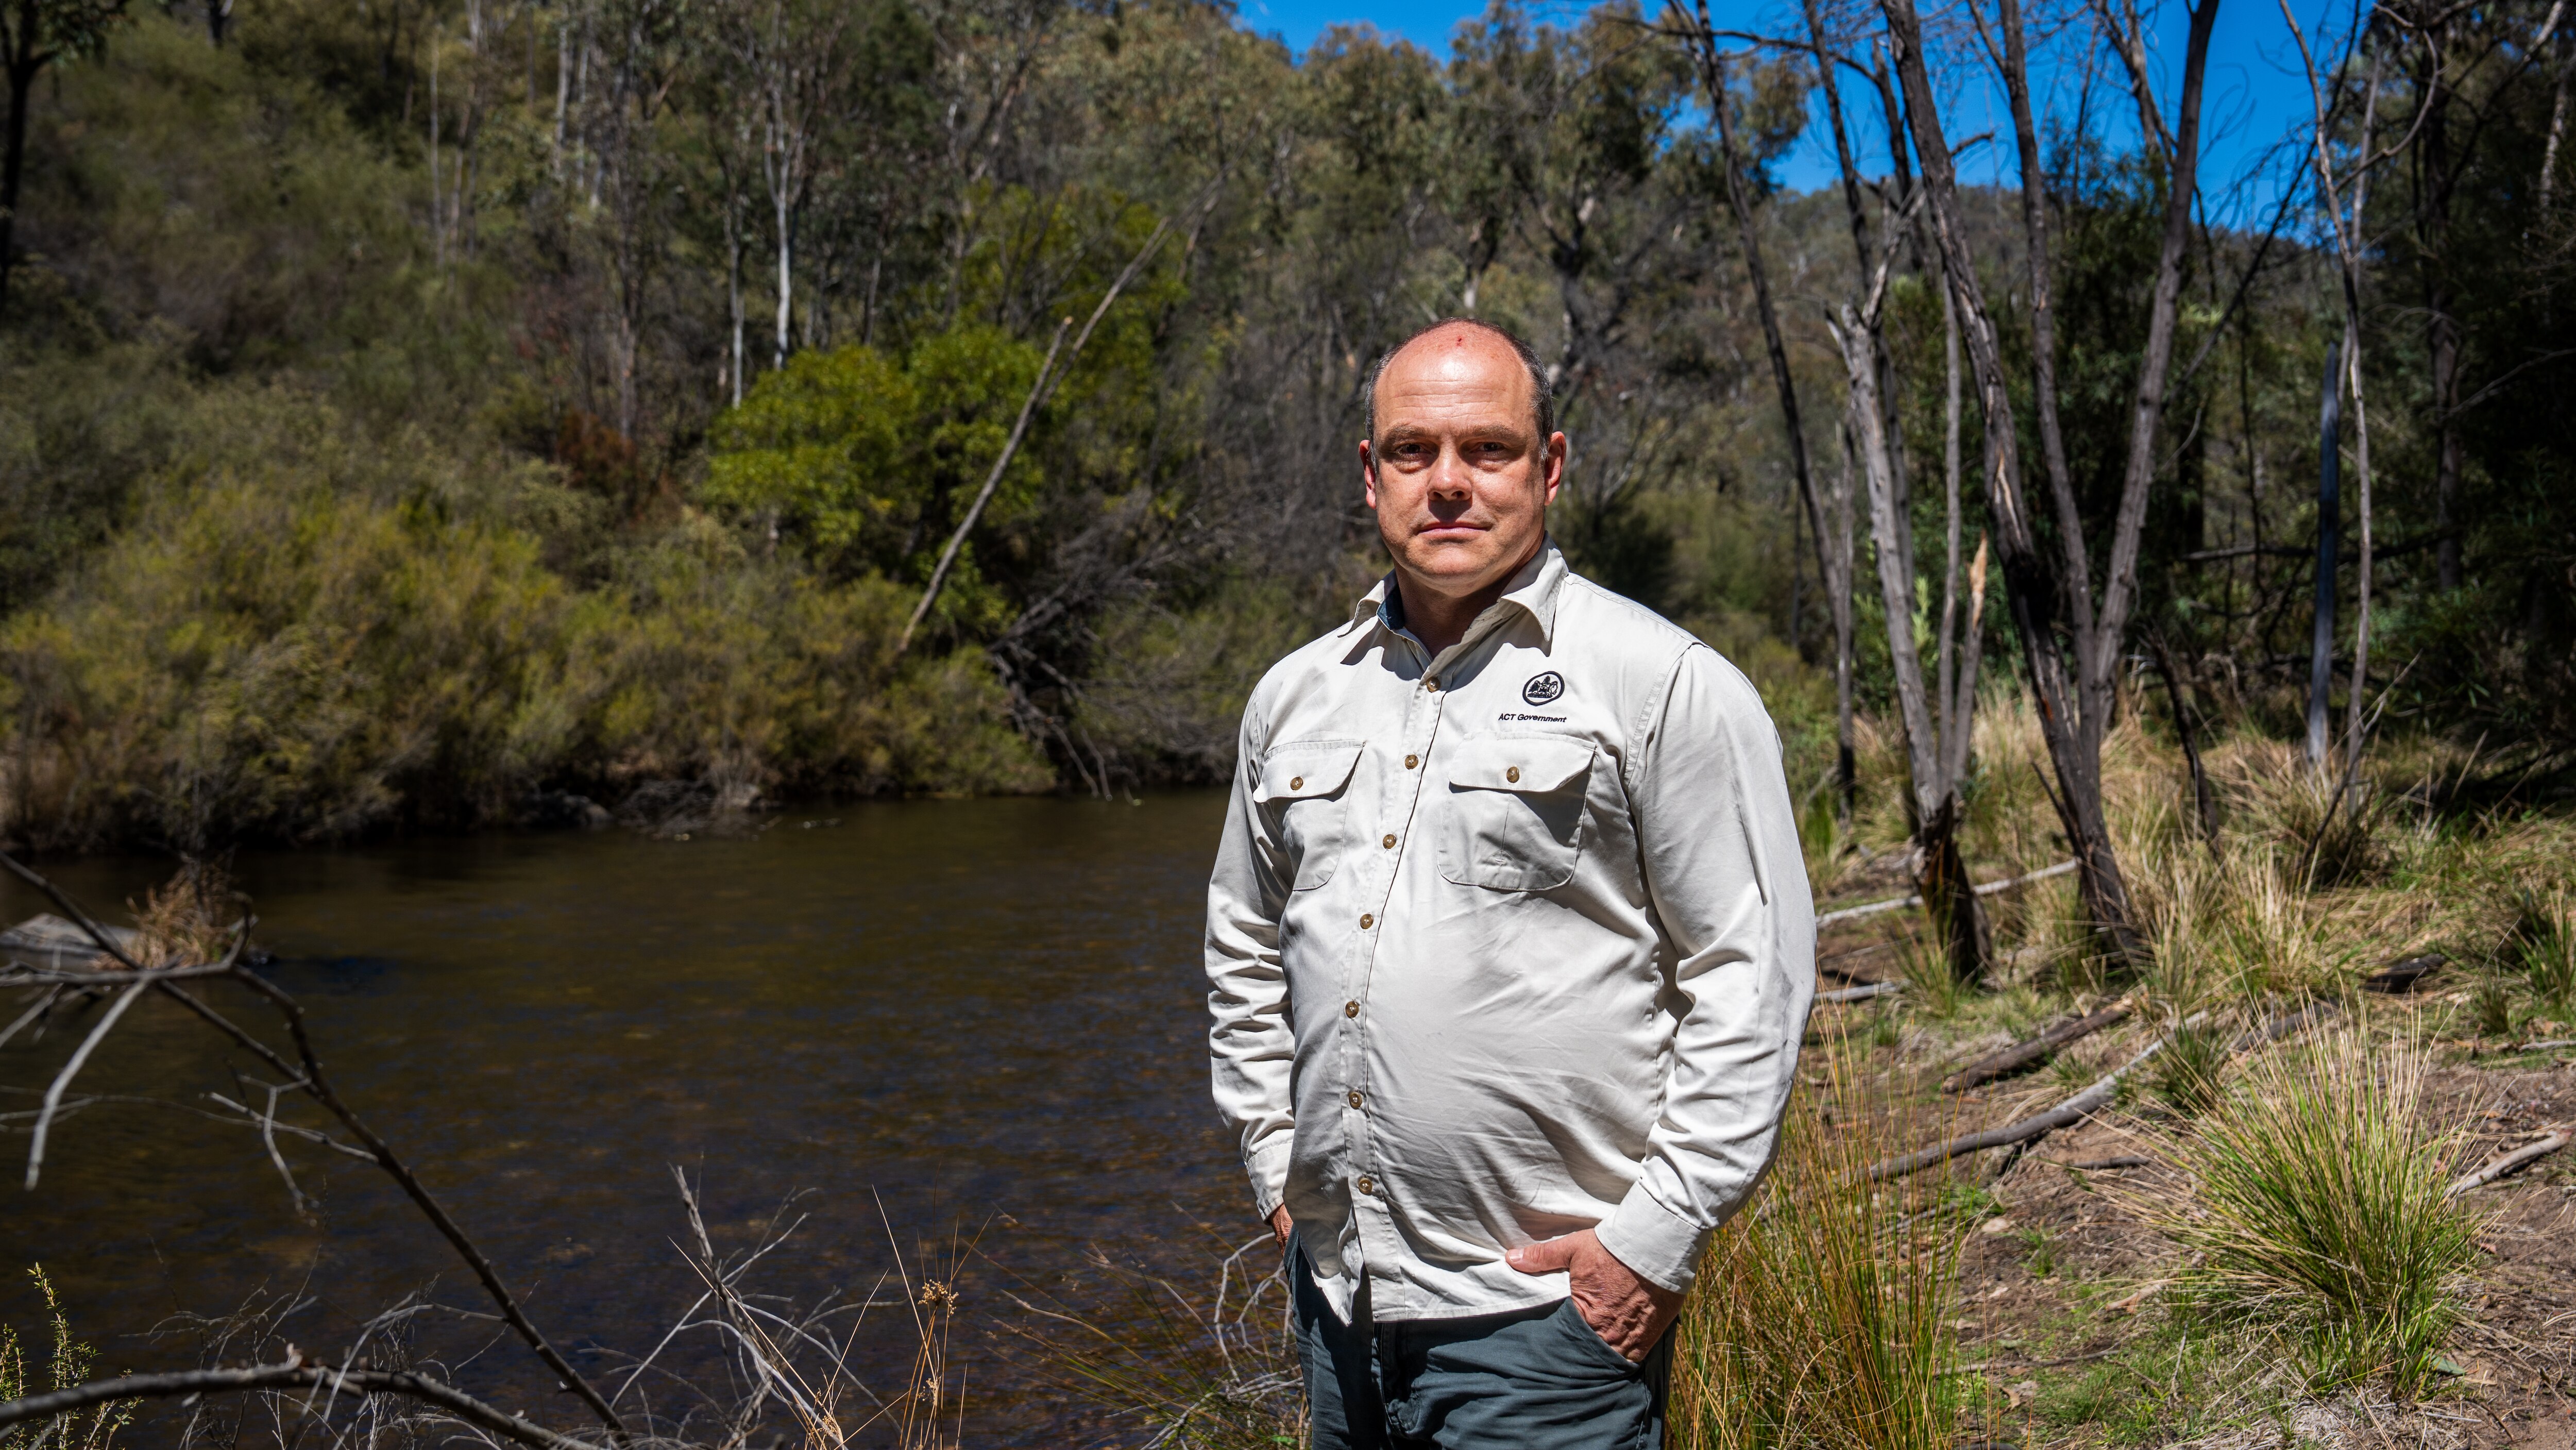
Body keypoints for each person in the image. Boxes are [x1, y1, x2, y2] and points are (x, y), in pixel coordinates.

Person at [1203, 318, 1817, 1448]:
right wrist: (1270, 1158)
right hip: (1341, 1302)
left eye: (1486, 450)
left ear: (1550, 465)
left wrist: (1652, 1243)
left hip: (1546, 1324)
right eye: (1411, 450)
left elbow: (1753, 977)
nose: (1447, 483)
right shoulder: (1292, 698)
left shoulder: (1660, 683)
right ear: (1369, 472)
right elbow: (1243, 942)